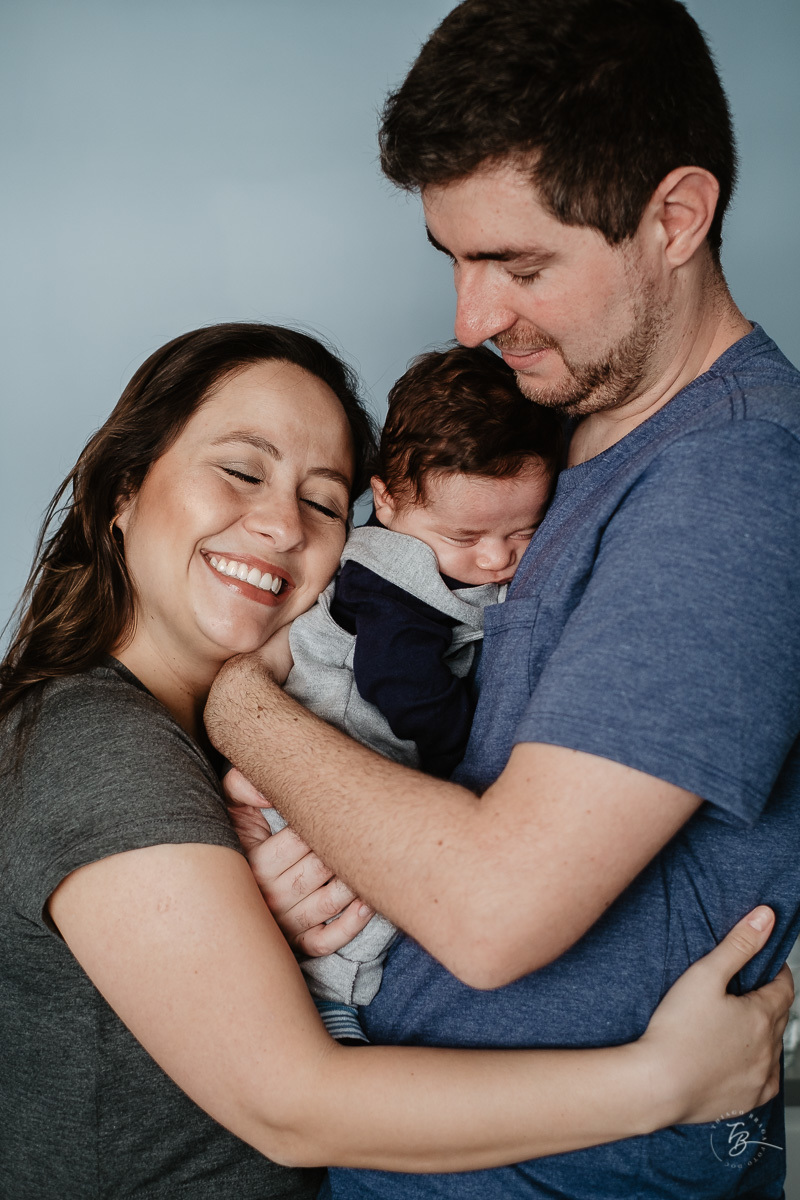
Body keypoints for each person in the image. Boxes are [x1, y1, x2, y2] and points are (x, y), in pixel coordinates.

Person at [204, 3, 800, 1198]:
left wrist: (238, 707)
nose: (472, 319)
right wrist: (316, 855)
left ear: (674, 217)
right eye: (458, 261)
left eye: (520, 265)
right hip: (430, 1129)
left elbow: (489, 914)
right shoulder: (564, 431)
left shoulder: (732, 484)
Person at [0, 321, 789, 1199]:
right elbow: (293, 1105)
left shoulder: (229, 732)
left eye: (326, 501)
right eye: (242, 470)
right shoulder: (96, 745)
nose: (280, 525)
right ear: (122, 489)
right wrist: (665, 1084)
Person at [265, 345, 562, 1045]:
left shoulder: (450, 548)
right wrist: (474, 750)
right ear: (389, 500)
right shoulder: (387, 585)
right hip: (339, 739)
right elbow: (404, 692)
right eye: (466, 535)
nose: (495, 558)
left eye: (522, 531)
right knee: (348, 890)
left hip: (377, 750)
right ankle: (327, 999)